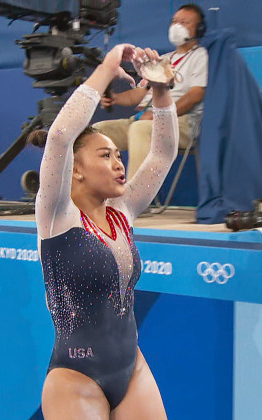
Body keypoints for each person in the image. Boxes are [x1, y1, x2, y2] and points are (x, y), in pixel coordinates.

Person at [35, 43, 178, 419]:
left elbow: (162, 153)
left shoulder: (122, 211)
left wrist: (160, 90)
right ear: (75, 169)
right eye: (105, 155)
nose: (119, 164)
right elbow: (62, 136)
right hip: (76, 377)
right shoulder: (56, 216)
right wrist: (106, 69)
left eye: (118, 155)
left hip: (131, 369)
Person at [94, 3, 207, 180]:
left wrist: (160, 115)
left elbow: (196, 94)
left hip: (183, 124)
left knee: (140, 129)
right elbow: (141, 93)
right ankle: (97, 195)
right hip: (147, 120)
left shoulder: (201, 56)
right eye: (175, 21)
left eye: (184, 22)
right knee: (97, 132)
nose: (177, 26)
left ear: (199, 29)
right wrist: (114, 98)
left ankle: (131, 201)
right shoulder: (163, 59)